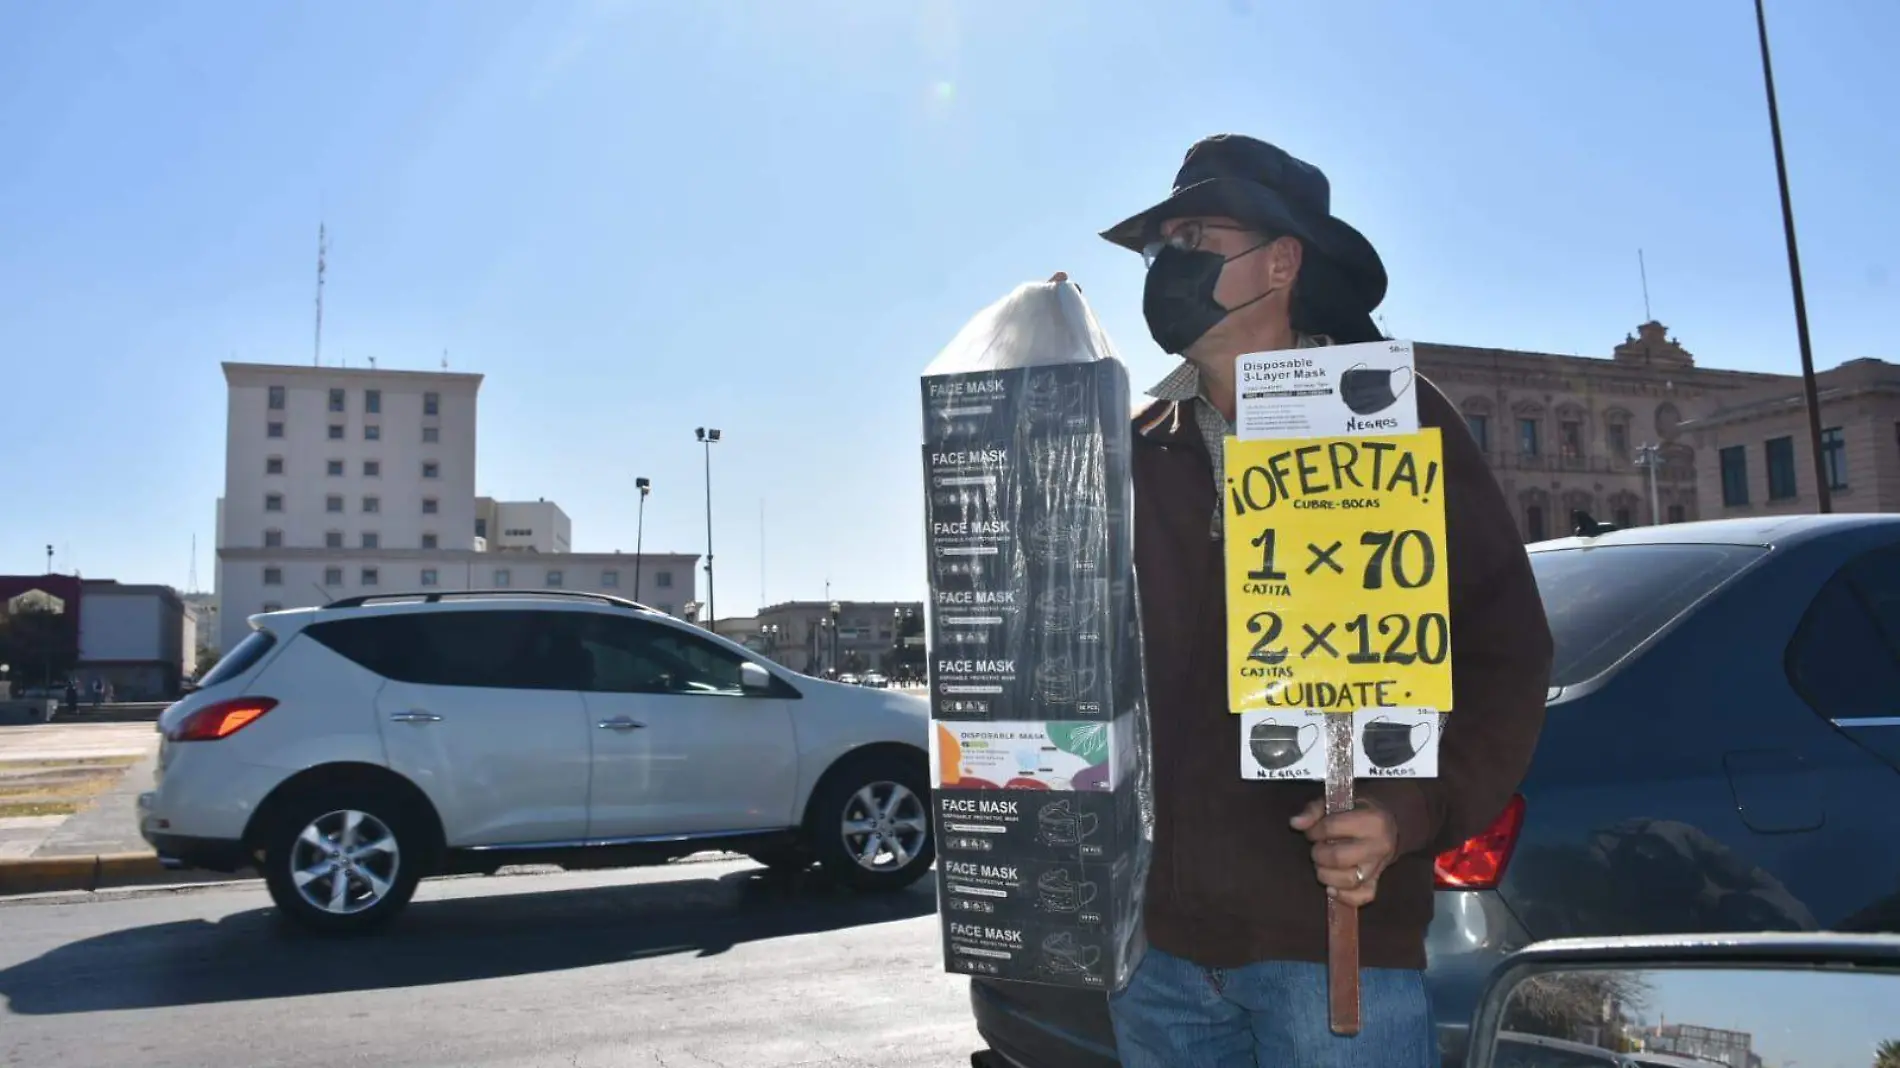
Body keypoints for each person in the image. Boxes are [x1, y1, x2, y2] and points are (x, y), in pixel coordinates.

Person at [1089, 135, 1554, 1065]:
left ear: (1283, 259)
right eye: (1159, 244)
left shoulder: (1393, 421)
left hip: (1335, 953)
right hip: (1154, 959)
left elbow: (1505, 652)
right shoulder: (1128, 445)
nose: (1168, 262)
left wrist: (1403, 814)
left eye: (1195, 234)